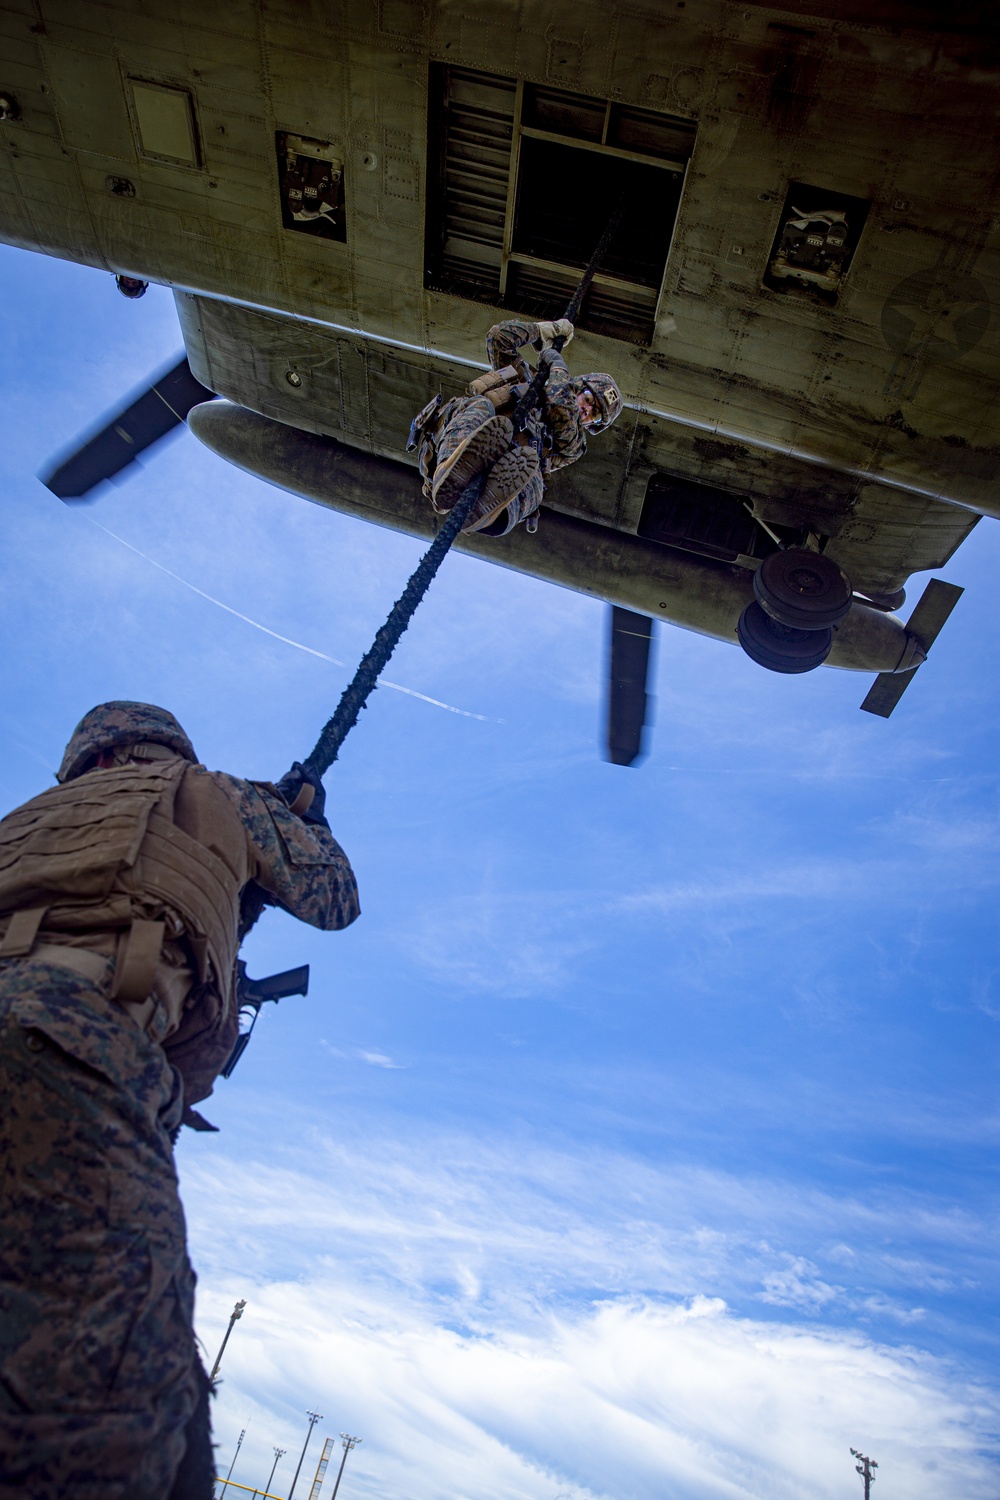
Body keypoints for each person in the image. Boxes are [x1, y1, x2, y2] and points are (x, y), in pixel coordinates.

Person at [0, 702, 359, 1500]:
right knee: (112, 1431)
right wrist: (305, 817)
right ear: (166, 746)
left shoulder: (25, 820)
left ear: (84, 760)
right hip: (73, 1056)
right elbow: (334, 898)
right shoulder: (216, 794)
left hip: (55, 1047)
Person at [408, 318, 624, 537]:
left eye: (595, 416)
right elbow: (498, 338)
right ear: (579, 387)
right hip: (450, 445)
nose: (587, 410)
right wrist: (541, 330)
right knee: (481, 406)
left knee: (532, 471)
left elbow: (559, 405)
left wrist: (558, 366)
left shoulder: (573, 446)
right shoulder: (527, 382)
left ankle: (483, 512)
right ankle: (452, 470)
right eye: (588, 399)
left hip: (497, 480)